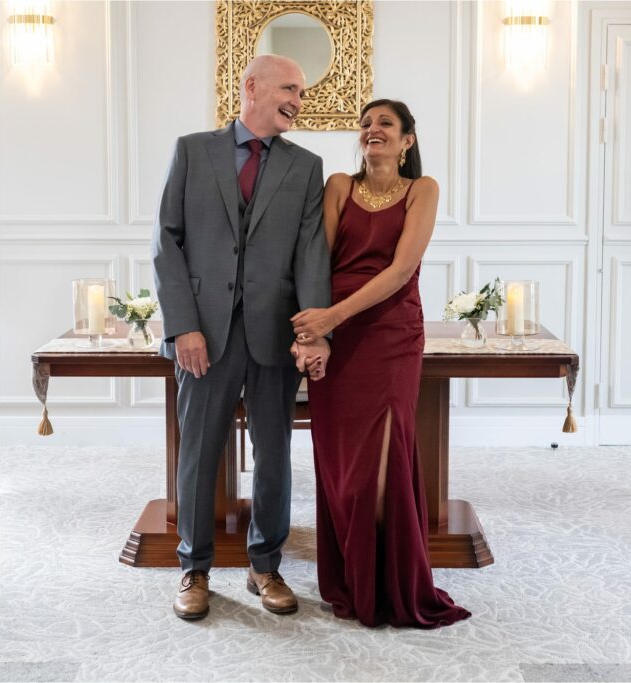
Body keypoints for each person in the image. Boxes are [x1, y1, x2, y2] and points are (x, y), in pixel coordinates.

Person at [153, 54, 332, 620]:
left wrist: (311, 331)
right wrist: (184, 325)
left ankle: (265, 565)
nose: (298, 102)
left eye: (301, 94)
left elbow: (311, 255)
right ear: (251, 86)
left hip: (273, 334)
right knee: (200, 451)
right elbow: (167, 242)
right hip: (202, 332)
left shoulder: (307, 166)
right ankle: (194, 568)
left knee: (274, 452)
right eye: (290, 90)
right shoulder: (191, 149)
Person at [291, 99, 471, 628]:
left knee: (384, 461)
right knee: (341, 464)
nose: (373, 131)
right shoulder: (340, 186)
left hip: (391, 335)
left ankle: (389, 582)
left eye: (385, 124)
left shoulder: (423, 189)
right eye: (366, 124)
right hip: (335, 337)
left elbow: (398, 273)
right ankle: (350, 576)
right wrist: (314, 334)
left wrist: (330, 318)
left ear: (407, 140)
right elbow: (316, 260)